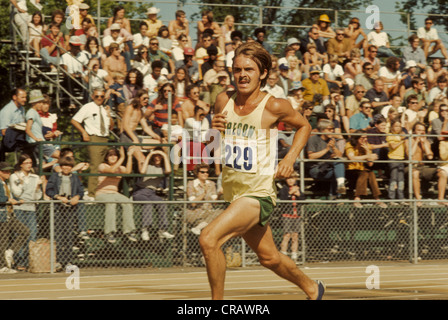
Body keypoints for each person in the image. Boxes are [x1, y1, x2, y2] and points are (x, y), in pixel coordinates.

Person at [203, 41, 324, 300]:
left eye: (249, 69)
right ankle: (313, 289)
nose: (242, 75)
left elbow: (304, 126)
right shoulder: (223, 100)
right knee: (269, 258)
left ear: (263, 73)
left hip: (258, 195)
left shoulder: (274, 106)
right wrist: (213, 131)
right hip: (235, 194)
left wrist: (290, 158)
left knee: (208, 239)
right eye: (237, 70)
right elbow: (212, 146)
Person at [71, 89, 114, 199]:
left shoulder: (104, 109)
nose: (99, 98)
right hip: (94, 138)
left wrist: (109, 115)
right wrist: (84, 132)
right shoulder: (88, 107)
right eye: (97, 96)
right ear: (92, 96)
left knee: (103, 166)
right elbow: (74, 120)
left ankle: (100, 190)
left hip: (105, 138)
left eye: (102, 96)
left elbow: (111, 127)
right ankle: (91, 194)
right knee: (95, 166)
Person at [45, 156, 84, 268]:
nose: (66, 168)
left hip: (70, 209)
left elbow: (80, 190)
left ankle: (68, 261)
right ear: (61, 166)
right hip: (58, 208)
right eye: (64, 165)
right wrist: (58, 197)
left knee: (69, 235)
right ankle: (58, 261)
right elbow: (49, 190)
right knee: (58, 235)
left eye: (69, 166)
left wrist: (77, 197)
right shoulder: (55, 176)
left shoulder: (75, 178)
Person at [96, 147, 138, 243]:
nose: (113, 157)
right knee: (111, 203)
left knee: (127, 202)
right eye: (110, 155)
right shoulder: (102, 166)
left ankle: (129, 230)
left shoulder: (119, 168)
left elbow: (128, 171)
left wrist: (129, 156)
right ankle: (109, 232)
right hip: (102, 193)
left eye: (115, 155)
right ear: (106, 157)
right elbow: (111, 170)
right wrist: (122, 157)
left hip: (114, 193)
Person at [9, 154, 43, 270]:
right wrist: (22, 183)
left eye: (30, 163)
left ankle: (30, 260)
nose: (29, 165)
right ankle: (19, 261)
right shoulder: (15, 176)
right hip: (19, 208)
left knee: (32, 234)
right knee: (20, 235)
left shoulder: (35, 177)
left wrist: (38, 188)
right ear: (21, 164)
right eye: (26, 163)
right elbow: (17, 193)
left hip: (31, 208)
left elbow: (37, 196)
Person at [132, 149, 174, 240]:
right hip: (140, 191)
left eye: (159, 156)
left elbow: (168, 171)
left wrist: (164, 154)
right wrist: (150, 154)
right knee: (148, 203)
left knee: (162, 203)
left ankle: (162, 230)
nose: (157, 157)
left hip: (152, 192)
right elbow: (142, 171)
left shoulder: (162, 169)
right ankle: (145, 230)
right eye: (155, 156)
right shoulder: (147, 165)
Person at [407, 122, 448, 206]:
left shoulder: (425, 141)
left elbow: (430, 156)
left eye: (423, 131)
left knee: (442, 172)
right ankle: (418, 199)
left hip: (422, 167)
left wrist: (423, 143)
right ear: (414, 131)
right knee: (415, 173)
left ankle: (440, 198)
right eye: (419, 130)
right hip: (410, 167)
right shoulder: (408, 141)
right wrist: (416, 142)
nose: (421, 133)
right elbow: (409, 155)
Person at [344, 131, 387, 209]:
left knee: (370, 173)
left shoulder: (366, 146)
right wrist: (368, 155)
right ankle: (363, 198)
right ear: (357, 138)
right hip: (350, 170)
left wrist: (367, 151)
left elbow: (370, 164)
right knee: (365, 173)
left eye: (366, 137)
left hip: (361, 170)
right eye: (363, 138)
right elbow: (352, 158)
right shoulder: (349, 145)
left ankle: (366, 198)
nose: (365, 139)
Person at [0, 161, 29, 274]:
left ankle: (10, 251)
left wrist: (17, 201)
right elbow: (3, 198)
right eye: (4, 171)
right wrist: (8, 201)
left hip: (9, 214)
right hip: (2, 215)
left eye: (8, 171)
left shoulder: (5, 183)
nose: (7, 173)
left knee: (24, 231)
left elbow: (9, 197)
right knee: (2, 241)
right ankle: (2, 266)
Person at [306, 119, 346, 198]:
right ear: (323, 130)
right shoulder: (313, 139)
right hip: (316, 169)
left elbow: (339, 156)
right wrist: (326, 150)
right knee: (337, 170)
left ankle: (340, 186)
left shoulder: (332, 140)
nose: (332, 131)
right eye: (329, 129)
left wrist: (334, 147)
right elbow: (311, 156)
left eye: (332, 129)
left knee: (338, 164)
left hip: (328, 167)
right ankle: (335, 194)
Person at [25, 89, 60, 164]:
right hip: (37, 143)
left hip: (40, 142)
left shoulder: (34, 113)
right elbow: (28, 129)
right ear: (34, 103)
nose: (42, 105)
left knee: (42, 165)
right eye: (40, 102)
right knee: (61, 156)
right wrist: (36, 139)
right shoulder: (31, 113)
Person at [278, 172, 305, 262]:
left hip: (296, 215)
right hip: (287, 215)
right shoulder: (284, 189)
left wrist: (298, 195)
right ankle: (283, 253)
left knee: (295, 235)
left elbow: (303, 200)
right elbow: (283, 199)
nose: (290, 180)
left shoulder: (297, 189)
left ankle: (294, 254)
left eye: (292, 178)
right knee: (287, 235)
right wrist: (290, 193)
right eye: (288, 178)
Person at [0, 88, 27, 161]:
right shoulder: (7, 110)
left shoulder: (22, 109)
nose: (25, 99)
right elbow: (3, 131)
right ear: (14, 97)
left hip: (19, 139)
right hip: (8, 141)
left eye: (25, 97)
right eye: (22, 97)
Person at [386, 118, 407, 203]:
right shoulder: (390, 135)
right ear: (392, 127)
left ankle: (401, 198)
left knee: (401, 180)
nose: (398, 128)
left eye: (399, 126)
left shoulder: (402, 135)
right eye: (396, 126)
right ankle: (392, 198)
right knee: (394, 179)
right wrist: (402, 141)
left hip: (401, 159)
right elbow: (393, 146)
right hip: (393, 159)